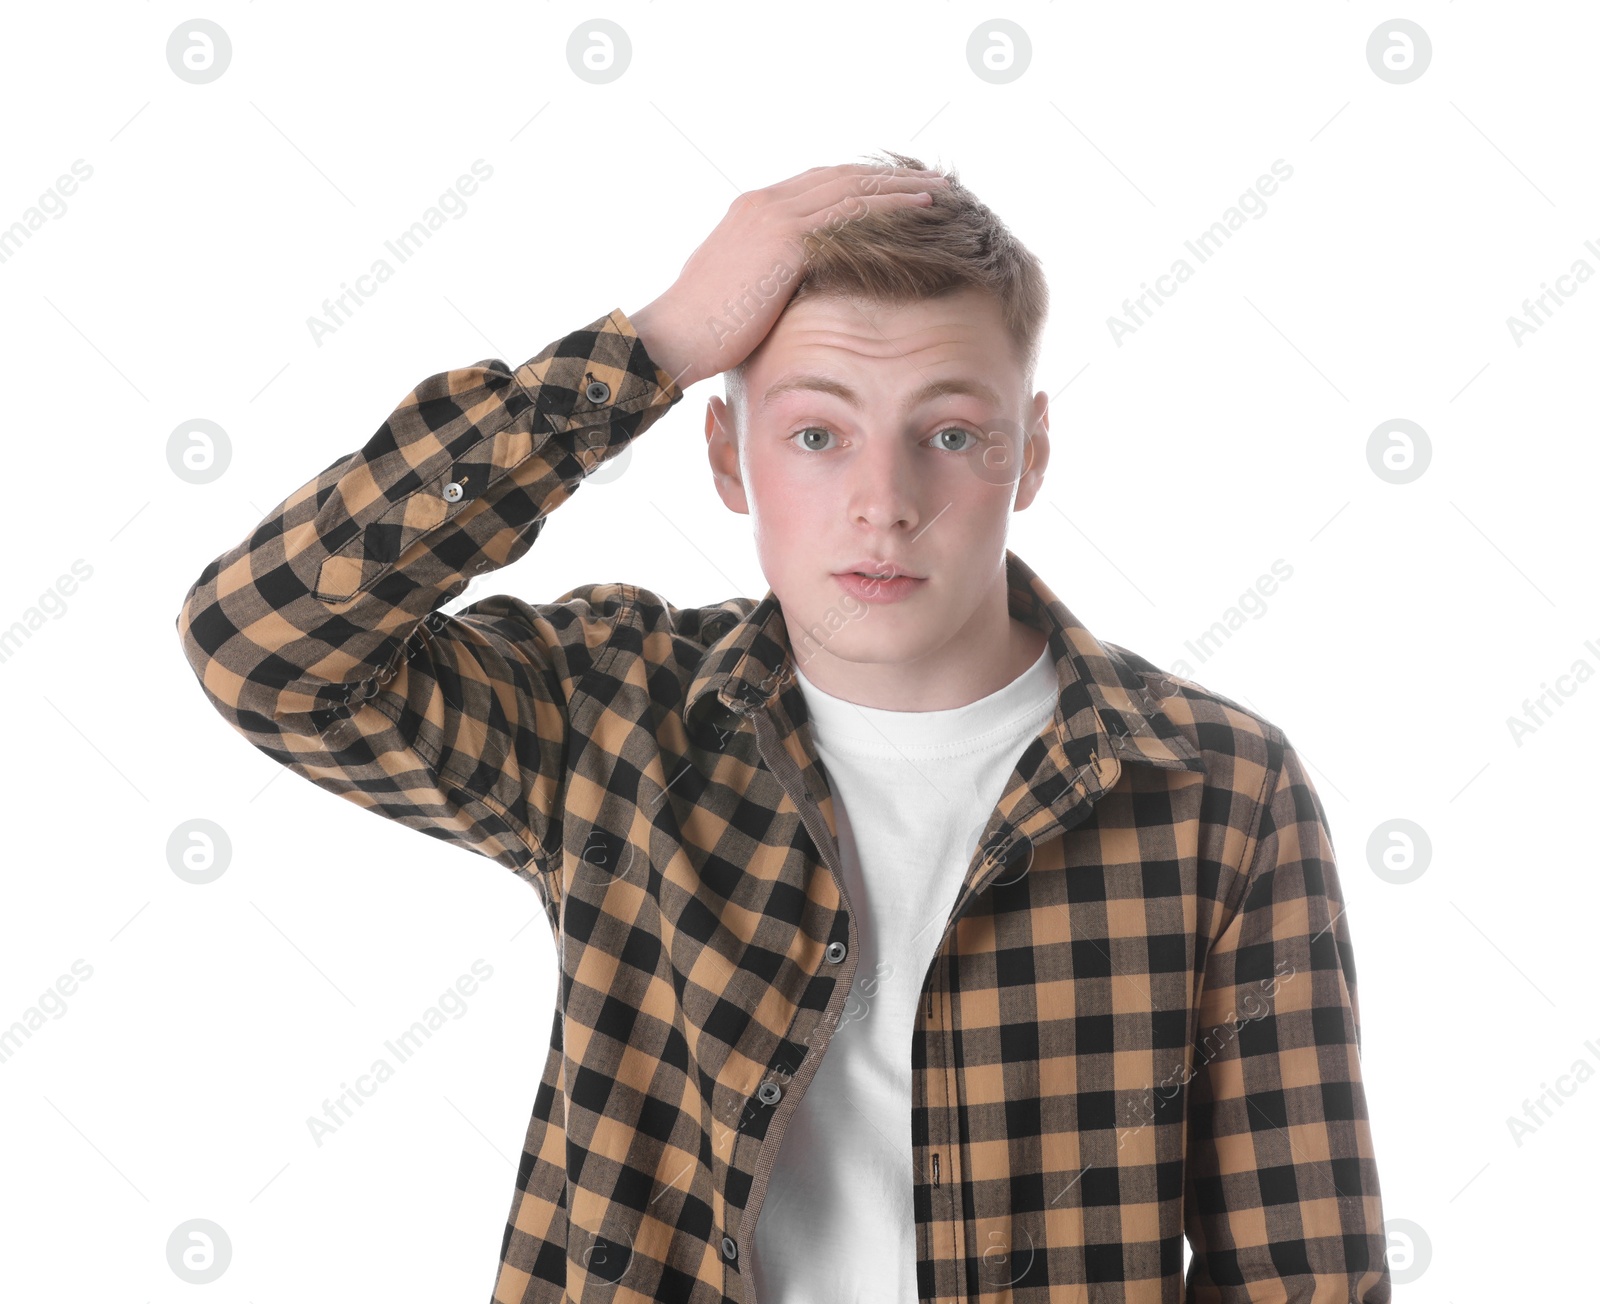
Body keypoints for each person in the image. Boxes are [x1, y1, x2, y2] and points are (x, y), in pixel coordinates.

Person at [175, 153, 1391, 1303]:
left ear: (1028, 456)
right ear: (725, 453)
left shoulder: (1215, 788)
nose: (885, 503)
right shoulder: (616, 712)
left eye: (951, 434)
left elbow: (1300, 1265)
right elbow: (263, 642)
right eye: (817, 433)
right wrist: (649, 348)